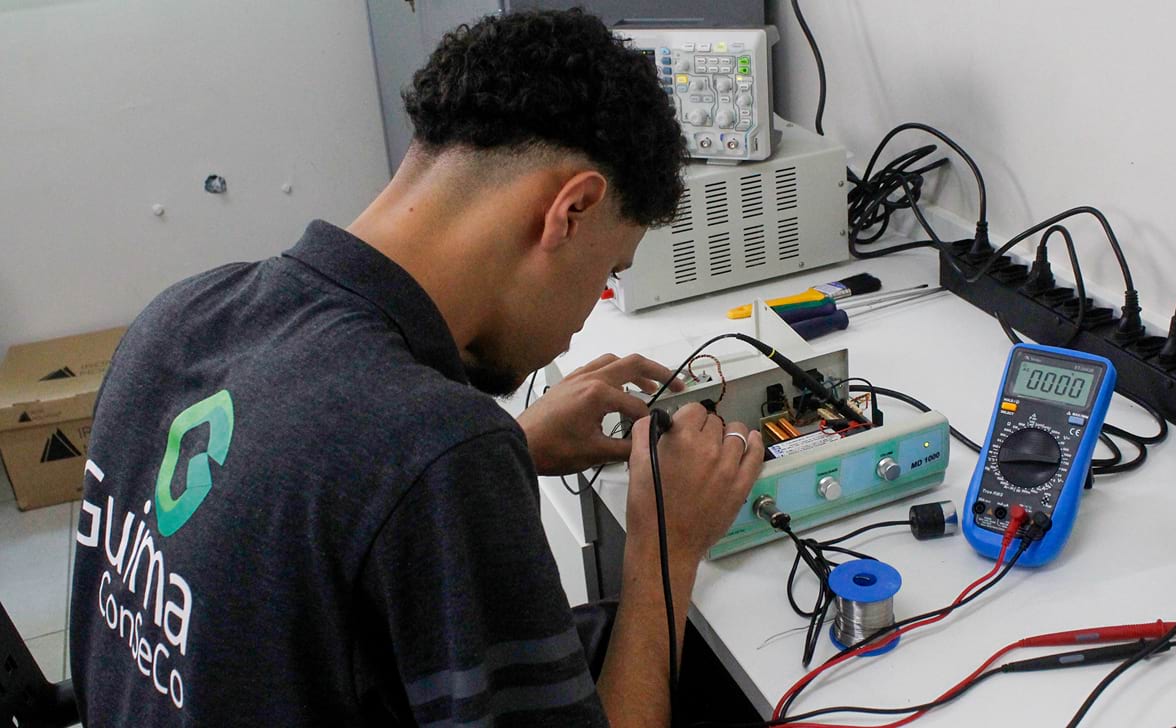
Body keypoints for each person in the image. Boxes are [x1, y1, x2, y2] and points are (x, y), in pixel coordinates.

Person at [68, 8, 764, 727]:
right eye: (608, 272)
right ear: (572, 210)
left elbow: (269, 542)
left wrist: (511, 449)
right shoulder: (436, 449)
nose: (592, 309)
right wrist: (666, 544)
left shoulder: (179, 317)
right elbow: (400, 460)